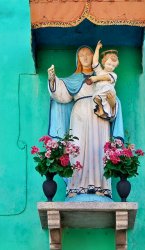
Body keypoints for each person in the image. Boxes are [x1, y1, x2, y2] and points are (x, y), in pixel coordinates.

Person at [47, 46, 124, 202]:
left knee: (99, 148)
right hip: (79, 116)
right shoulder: (73, 80)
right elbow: (60, 95)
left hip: (99, 116)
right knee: (78, 148)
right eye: (81, 54)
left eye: (88, 53)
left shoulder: (103, 76)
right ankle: (76, 187)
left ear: (93, 57)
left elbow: (112, 100)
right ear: (77, 59)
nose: (85, 57)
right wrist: (52, 79)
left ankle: (101, 188)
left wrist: (111, 102)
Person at [86, 41, 119, 120]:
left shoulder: (113, 75)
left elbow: (106, 77)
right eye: (109, 64)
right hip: (99, 93)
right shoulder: (100, 71)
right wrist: (97, 49)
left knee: (106, 88)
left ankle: (106, 112)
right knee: (96, 98)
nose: (111, 67)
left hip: (108, 93)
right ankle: (101, 110)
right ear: (104, 62)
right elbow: (95, 62)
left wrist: (96, 78)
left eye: (113, 66)